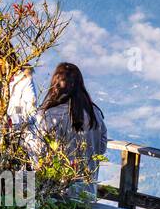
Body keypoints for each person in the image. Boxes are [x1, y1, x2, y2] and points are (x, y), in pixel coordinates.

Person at [29, 62, 108, 197]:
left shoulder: (49, 115)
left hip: (56, 192)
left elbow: (38, 152)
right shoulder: (95, 113)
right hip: (87, 193)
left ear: (55, 85)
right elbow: (101, 148)